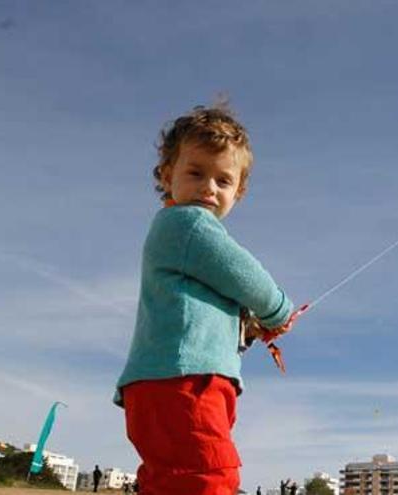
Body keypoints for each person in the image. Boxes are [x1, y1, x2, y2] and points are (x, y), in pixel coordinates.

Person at [115, 104, 298, 495]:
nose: (208, 189)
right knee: (208, 478)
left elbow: (208, 308)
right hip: (182, 383)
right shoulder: (188, 223)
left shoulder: (180, 239)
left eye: (223, 180)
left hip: (170, 382)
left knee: (172, 480)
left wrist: (248, 326)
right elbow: (245, 275)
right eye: (196, 173)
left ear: (239, 191)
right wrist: (277, 309)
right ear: (168, 175)